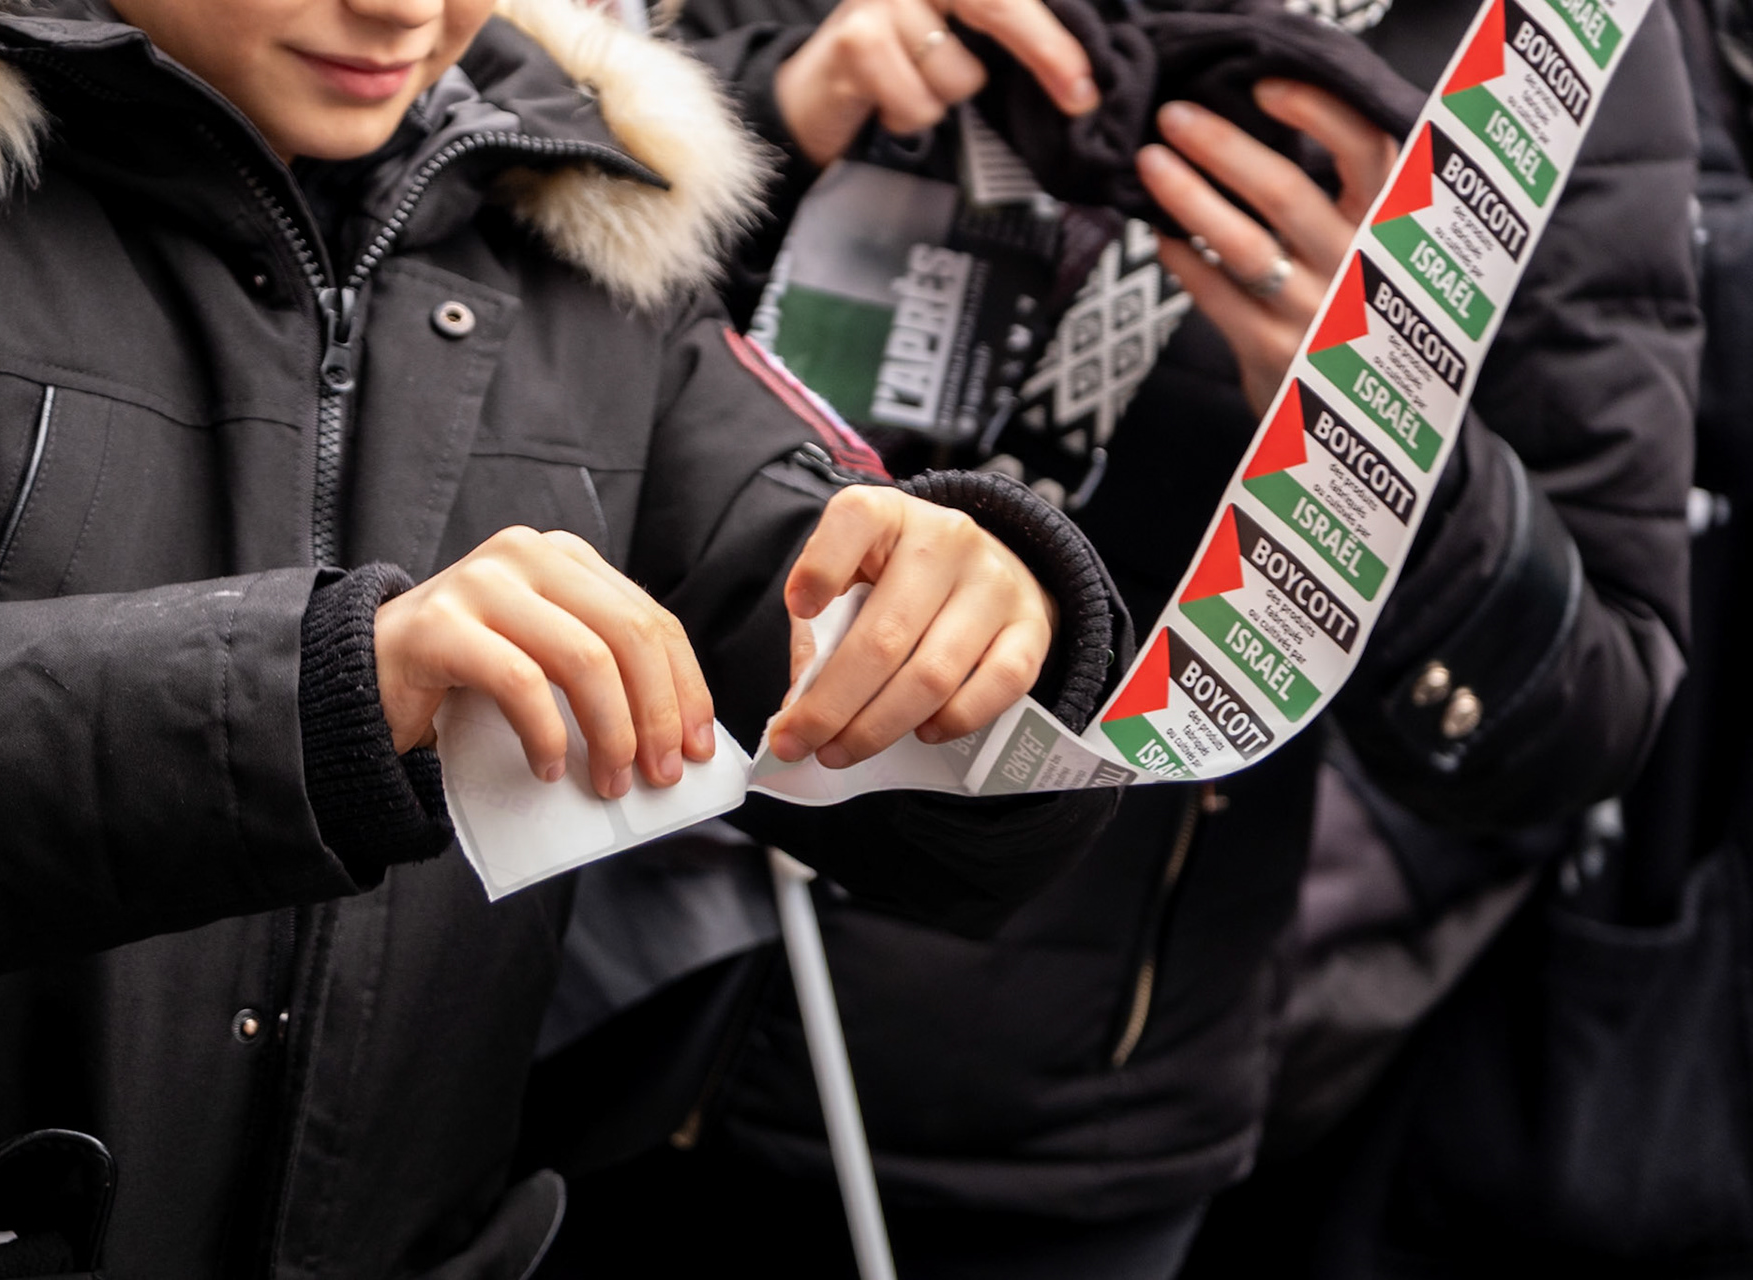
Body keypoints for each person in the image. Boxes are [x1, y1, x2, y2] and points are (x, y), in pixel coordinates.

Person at [0, 0, 1132, 1275]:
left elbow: (931, 804)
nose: (404, 9)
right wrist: (334, 688)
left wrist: (993, 620)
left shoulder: (591, 225)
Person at [527, 0, 1701, 1274]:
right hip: (585, 971)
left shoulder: (1546, 43)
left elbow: (1587, 711)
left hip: (1031, 1123)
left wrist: (1374, 433)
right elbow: (484, 275)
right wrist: (779, 119)